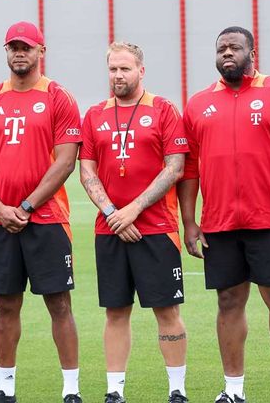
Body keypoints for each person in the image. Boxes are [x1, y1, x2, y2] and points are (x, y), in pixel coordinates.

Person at [179, 26, 270, 403]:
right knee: (228, 301)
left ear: (251, 52)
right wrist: (190, 222)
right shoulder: (198, 103)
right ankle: (233, 390)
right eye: (221, 48)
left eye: (235, 47)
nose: (227, 53)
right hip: (219, 224)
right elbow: (188, 168)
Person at [0, 21, 82, 403]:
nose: (19, 53)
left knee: (59, 303)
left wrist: (27, 205)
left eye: (26, 47)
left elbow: (66, 161)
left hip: (46, 219)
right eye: (13, 47)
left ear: (40, 51)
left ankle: (71, 389)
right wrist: (0, 208)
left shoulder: (58, 97)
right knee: (5, 304)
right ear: (6, 52)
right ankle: (5, 388)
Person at [79, 42, 189, 403]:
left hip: (156, 228)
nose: (118, 76)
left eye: (125, 69)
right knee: (115, 311)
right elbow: (87, 171)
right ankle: (114, 391)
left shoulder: (163, 110)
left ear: (141, 70)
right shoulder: (94, 114)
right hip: (110, 229)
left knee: (166, 310)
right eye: (112, 69)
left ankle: (177, 389)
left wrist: (134, 209)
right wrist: (114, 213)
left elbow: (175, 167)